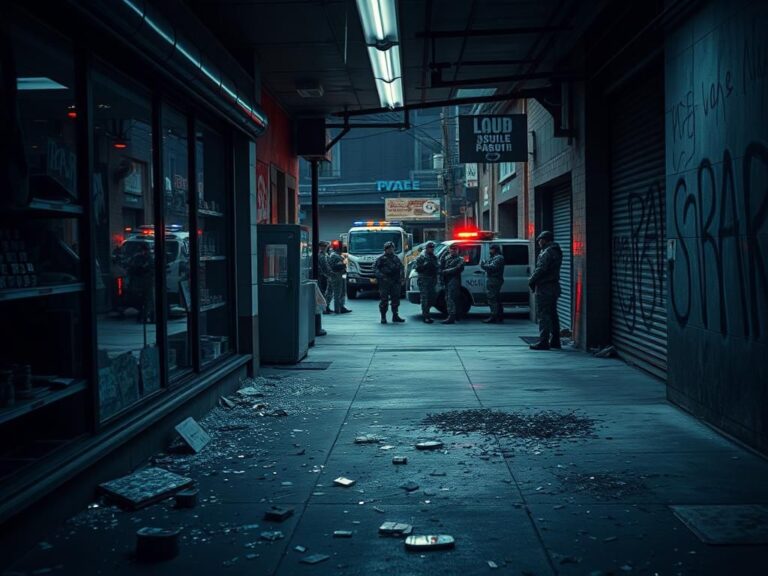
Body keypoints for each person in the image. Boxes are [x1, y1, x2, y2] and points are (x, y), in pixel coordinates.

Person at [528, 230, 563, 349]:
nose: (538, 242)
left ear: (545, 240)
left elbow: (541, 269)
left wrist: (531, 280)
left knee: (544, 315)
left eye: (540, 240)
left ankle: (544, 341)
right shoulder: (556, 250)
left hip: (545, 287)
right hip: (554, 287)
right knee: (553, 314)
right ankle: (555, 340)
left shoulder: (547, 252)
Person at [374, 241, 405, 324]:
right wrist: (382, 277)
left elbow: (401, 268)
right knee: (384, 300)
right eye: (388, 249)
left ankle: (395, 316)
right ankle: (383, 317)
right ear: (385, 249)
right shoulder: (381, 259)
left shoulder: (396, 258)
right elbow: (376, 270)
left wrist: (402, 278)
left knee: (396, 299)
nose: (390, 250)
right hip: (385, 282)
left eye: (391, 248)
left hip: (395, 281)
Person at [128, 242, 154, 324]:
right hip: (143, 281)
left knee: (144, 299)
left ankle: (143, 315)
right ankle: (144, 315)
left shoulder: (138, 257)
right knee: (145, 299)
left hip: (141, 281)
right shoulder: (143, 258)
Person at [439, 243, 465, 324]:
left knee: (451, 298)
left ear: (457, 250)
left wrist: (446, 271)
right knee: (448, 298)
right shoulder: (447, 258)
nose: (453, 251)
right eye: (452, 249)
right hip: (447, 280)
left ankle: (452, 316)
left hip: (454, 279)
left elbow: (458, 268)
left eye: (455, 249)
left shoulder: (460, 259)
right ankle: (456, 315)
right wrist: (444, 253)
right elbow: (441, 263)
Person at [415, 241, 439, 323]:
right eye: (430, 248)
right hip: (424, 280)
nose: (432, 249)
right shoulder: (421, 257)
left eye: (433, 248)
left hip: (432, 280)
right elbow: (417, 268)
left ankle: (427, 313)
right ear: (427, 248)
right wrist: (425, 265)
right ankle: (425, 316)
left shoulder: (434, 257)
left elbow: (438, 266)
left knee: (432, 298)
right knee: (424, 298)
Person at [481, 244, 505, 323]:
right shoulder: (494, 257)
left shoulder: (499, 258)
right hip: (493, 279)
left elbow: (492, 267)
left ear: (495, 250)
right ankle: (499, 315)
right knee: (496, 298)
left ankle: (494, 316)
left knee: (492, 298)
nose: (490, 251)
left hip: (494, 280)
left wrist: (483, 265)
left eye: (491, 249)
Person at [327, 244, 352, 314]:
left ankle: (340, 307)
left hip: (339, 275)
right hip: (337, 275)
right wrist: (343, 264)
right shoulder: (335, 256)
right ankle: (337, 309)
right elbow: (335, 266)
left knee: (340, 292)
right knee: (337, 293)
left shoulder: (336, 255)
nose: (344, 250)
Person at [317, 240, 333, 314]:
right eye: (324, 246)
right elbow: (324, 267)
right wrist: (329, 274)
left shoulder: (325, 254)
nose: (326, 248)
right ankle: (325, 308)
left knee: (326, 292)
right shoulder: (321, 256)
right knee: (325, 292)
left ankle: (326, 307)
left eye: (326, 246)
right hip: (323, 276)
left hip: (324, 276)